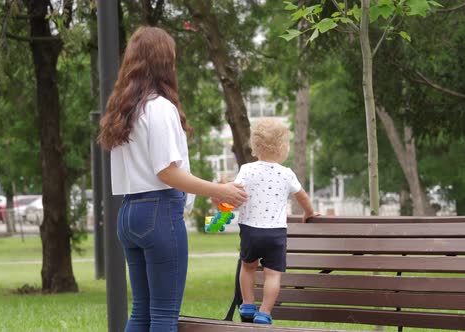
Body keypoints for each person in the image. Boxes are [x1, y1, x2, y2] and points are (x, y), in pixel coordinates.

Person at [98, 26, 247, 332]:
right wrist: (219, 189)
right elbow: (166, 171)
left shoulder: (124, 111)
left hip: (129, 213)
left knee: (141, 312)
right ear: (165, 62)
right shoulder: (160, 108)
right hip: (159, 211)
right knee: (164, 315)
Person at [232, 118, 318, 325]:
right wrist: (309, 213)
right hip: (275, 233)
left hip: (250, 231)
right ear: (282, 148)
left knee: (248, 267)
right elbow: (302, 196)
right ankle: (264, 312)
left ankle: (248, 303)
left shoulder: (246, 170)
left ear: (255, 146)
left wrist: (222, 211)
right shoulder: (286, 174)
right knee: (272, 275)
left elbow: (233, 194)